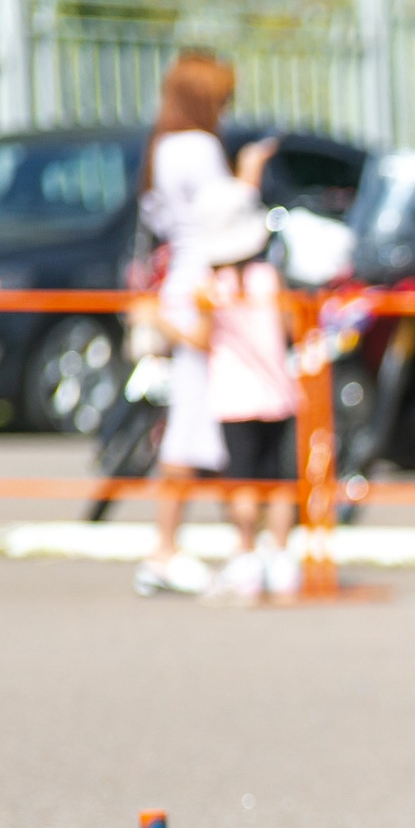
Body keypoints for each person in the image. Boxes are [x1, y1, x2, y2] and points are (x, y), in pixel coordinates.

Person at [133, 49, 274, 598]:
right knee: (212, 421)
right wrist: (250, 176)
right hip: (205, 287)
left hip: (181, 286)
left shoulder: (163, 145)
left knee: (198, 425)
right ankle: (190, 548)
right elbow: (226, 213)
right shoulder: (198, 146)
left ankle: (211, 546)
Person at [190, 187, 300, 602]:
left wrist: (164, 327)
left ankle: (246, 554)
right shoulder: (269, 278)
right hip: (275, 391)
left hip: (232, 396)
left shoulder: (210, 286)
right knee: (279, 480)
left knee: (242, 480)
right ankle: (281, 556)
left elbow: (201, 338)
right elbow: (291, 327)